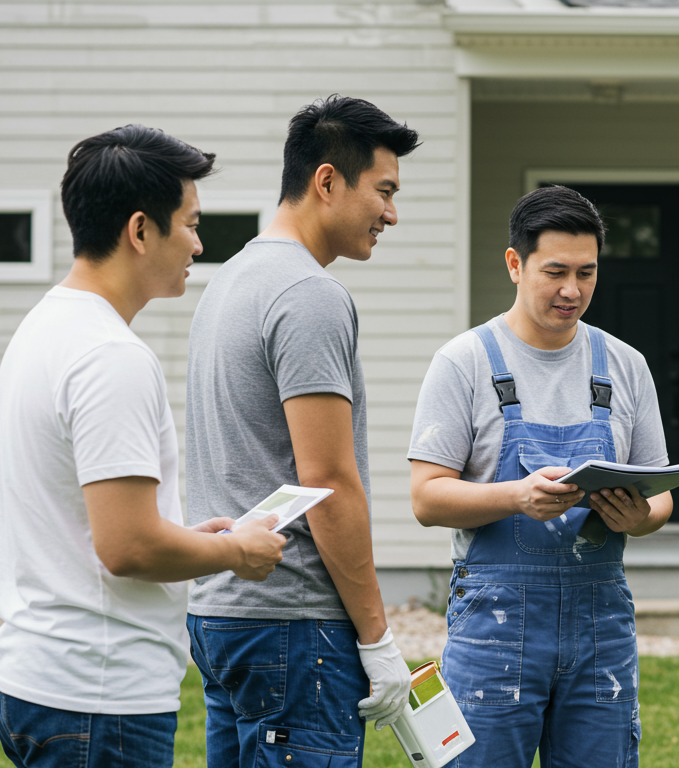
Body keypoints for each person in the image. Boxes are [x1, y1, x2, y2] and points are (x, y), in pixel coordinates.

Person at [0, 125, 287, 768]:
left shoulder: (45, 326)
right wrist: (234, 551)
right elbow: (126, 547)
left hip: (38, 679)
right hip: (96, 698)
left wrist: (198, 540)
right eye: (190, 223)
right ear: (140, 230)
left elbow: (99, 520)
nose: (199, 245)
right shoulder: (111, 356)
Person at [184, 95, 420, 767]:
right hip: (294, 627)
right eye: (384, 191)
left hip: (224, 615)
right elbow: (328, 481)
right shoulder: (308, 294)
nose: (392, 213)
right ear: (326, 182)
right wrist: (376, 639)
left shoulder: (230, 281)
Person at [406, 185, 673, 767]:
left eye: (587, 273)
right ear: (514, 264)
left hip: (601, 624)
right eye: (555, 272)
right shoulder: (465, 362)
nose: (572, 291)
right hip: (493, 626)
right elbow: (426, 497)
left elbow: (660, 499)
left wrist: (642, 516)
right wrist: (517, 496)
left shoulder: (626, 365)